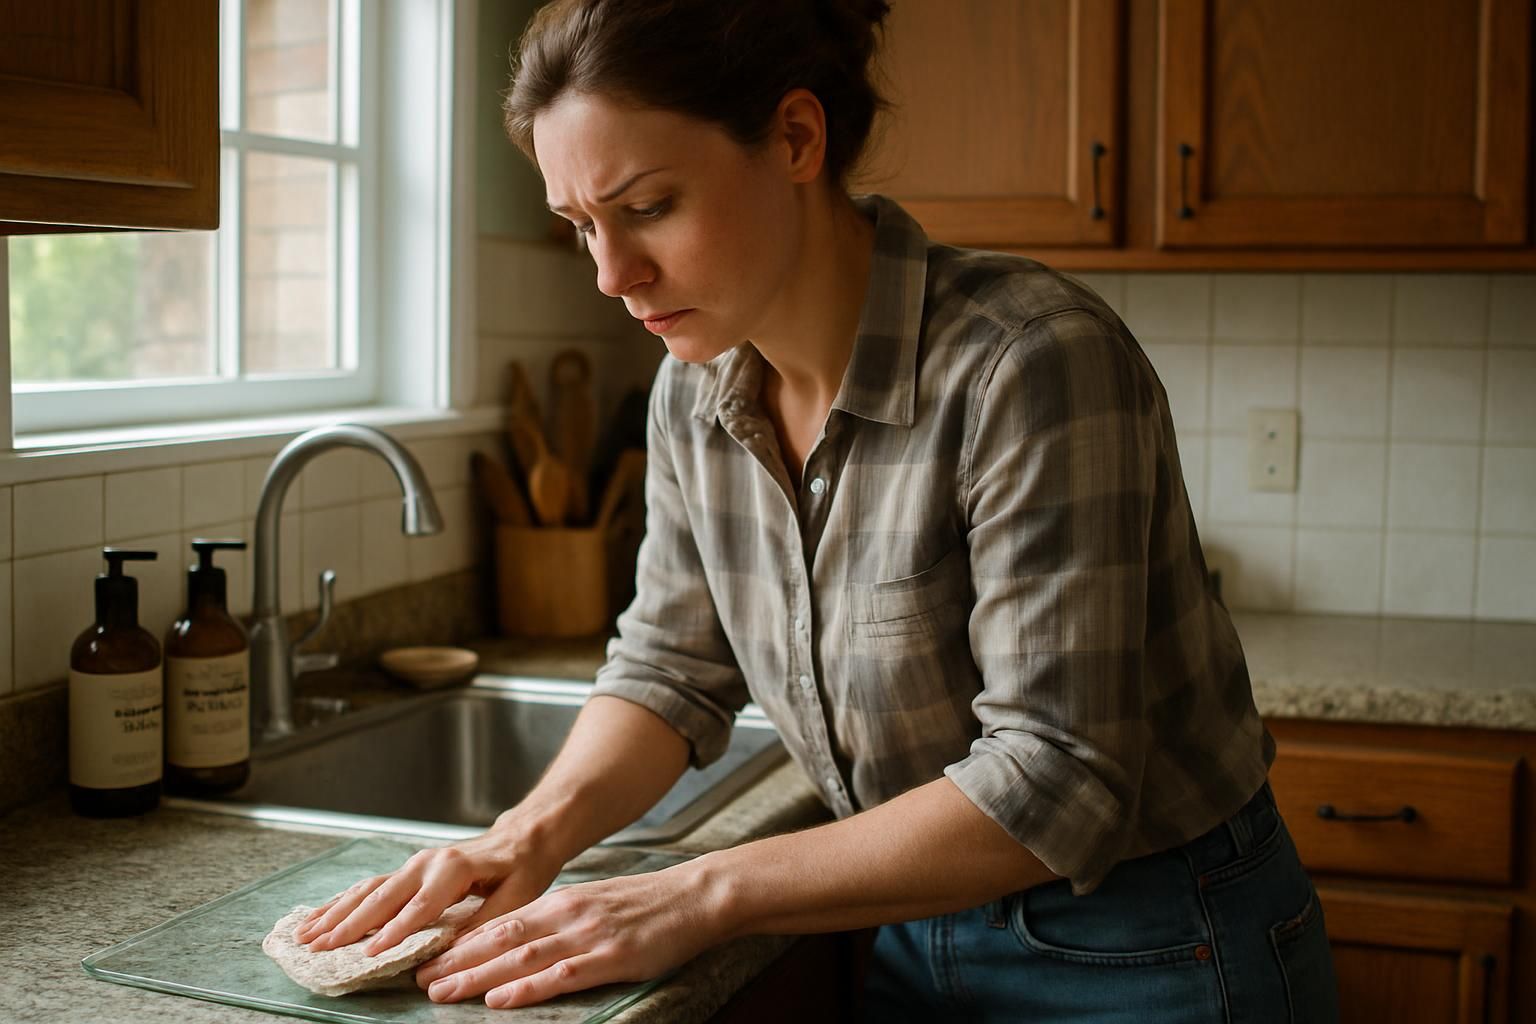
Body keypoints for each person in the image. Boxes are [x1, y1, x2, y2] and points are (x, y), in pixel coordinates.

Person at [295, 1, 1340, 1019]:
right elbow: (669, 667)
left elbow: (1054, 777)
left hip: (1150, 942)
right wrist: (522, 837)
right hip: (905, 926)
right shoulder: (689, 391)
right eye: (582, 228)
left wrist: (696, 892)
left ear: (796, 136)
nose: (613, 274)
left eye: (649, 206)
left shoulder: (1028, 361)